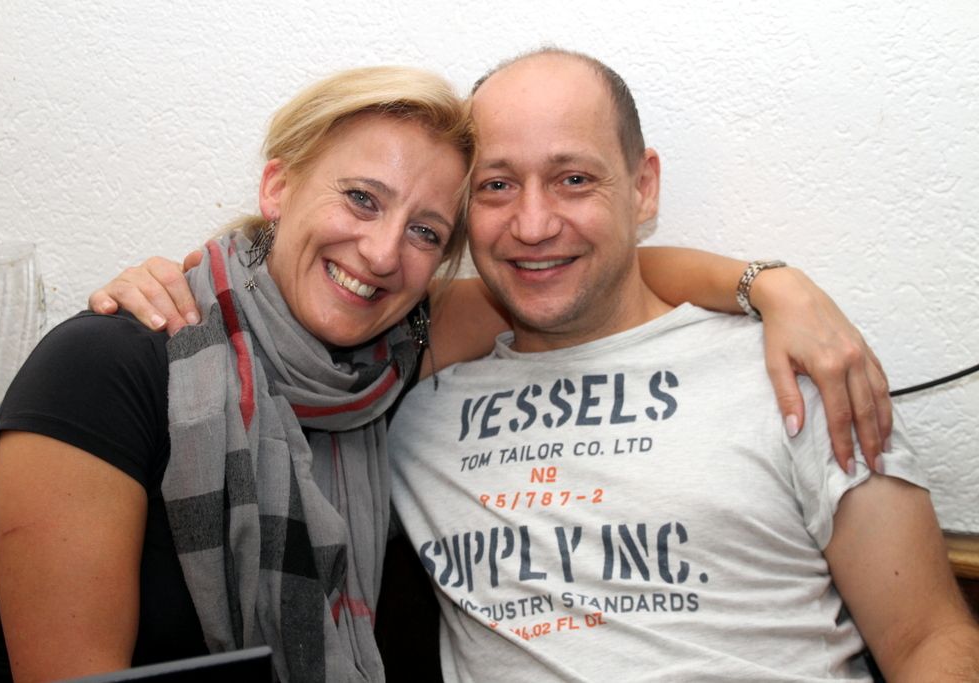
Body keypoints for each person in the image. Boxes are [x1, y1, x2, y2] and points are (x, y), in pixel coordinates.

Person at [383, 49, 979, 680]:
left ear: (643, 188)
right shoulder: (410, 404)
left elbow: (929, 637)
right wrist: (764, 282)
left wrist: (768, 286)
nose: (532, 225)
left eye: (574, 180)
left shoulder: (798, 369)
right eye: (497, 186)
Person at [0, 65, 477, 682]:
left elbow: (555, 278)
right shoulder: (104, 369)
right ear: (278, 187)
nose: (383, 253)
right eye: (362, 198)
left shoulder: (384, 364)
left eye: (424, 232)